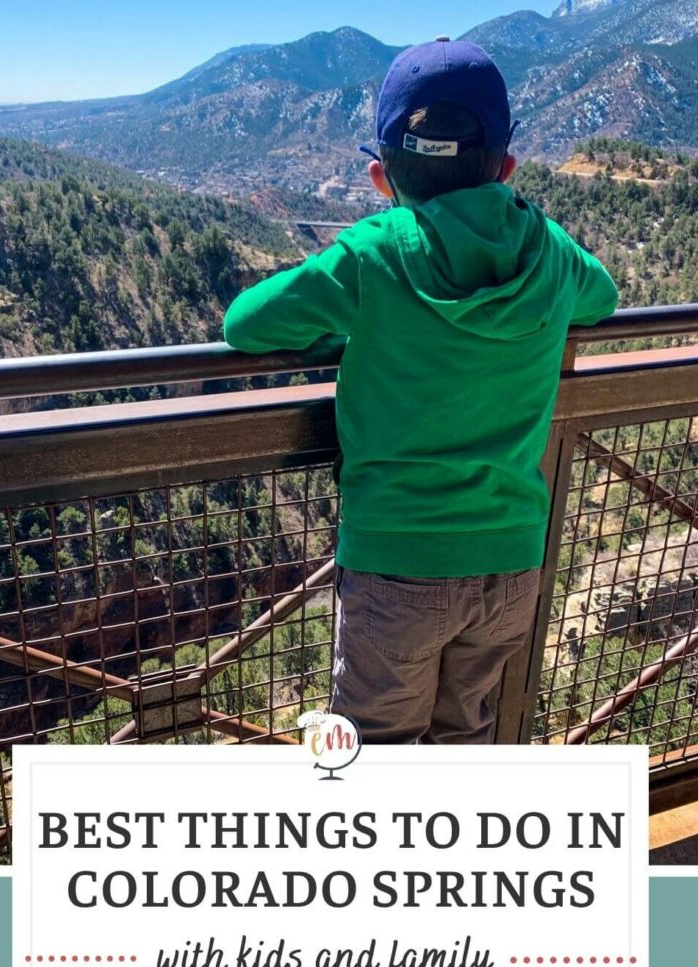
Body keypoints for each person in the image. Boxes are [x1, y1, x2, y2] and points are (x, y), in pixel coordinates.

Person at [223, 38, 618, 744]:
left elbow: (245, 324)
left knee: (373, 755)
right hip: (511, 562)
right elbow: (603, 297)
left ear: (381, 177)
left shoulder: (373, 253)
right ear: (505, 165)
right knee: (463, 740)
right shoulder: (550, 251)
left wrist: (360, 333)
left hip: (395, 567)